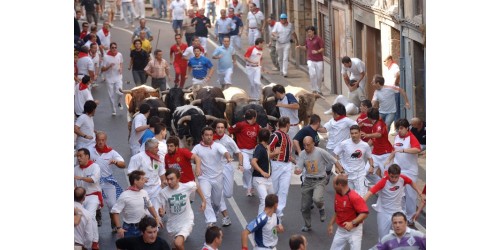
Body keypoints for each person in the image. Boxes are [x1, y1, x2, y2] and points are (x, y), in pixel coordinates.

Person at [363, 164, 423, 240]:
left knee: (402, 236)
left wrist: (420, 193)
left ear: (399, 175)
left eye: (396, 177)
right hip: (384, 213)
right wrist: (359, 206)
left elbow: (411, 182)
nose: (394, 179)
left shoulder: (402, 179)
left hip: (397, 212)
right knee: (383, 238)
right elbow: (369, 193)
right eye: (392, 177)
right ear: (388, 174)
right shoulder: (383, 182)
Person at [294, 136, 339, 232]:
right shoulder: (302, 154)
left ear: (313, 144)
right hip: (308, 181)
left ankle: (321, 208)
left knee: (317, 198)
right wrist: (297, 170)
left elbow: (334, 160)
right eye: (304, 145)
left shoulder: (320, 152)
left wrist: (341, 170)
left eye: (308, 145)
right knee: (304, 207)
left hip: (320, 180)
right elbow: (299, 167)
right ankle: (307, 225)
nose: (306, 147)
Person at [191, 127, 232, 227]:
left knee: (217, 203)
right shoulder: (197, 147)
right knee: (206, 197)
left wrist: (228, 157)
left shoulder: (217, 146)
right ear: (202, 136)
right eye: (206, 135)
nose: (209, 137)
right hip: (204, 178)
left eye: (210, 135)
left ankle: (215, 212)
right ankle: (211, 221)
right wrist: (196, 167)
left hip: (217, 178)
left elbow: (225, 152)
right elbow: (192, 157)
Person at [158, 168, 206, 250]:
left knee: (178, 243)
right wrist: (161, 213)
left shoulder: (186, 187)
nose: (169, 182)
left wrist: (204, 200)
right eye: (167, 179)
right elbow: (163, 210)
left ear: (178, 179)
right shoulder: (163, 193)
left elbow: (196, 185)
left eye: (172, 179)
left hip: (186, 221)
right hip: (172, 225)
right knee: (175, 248)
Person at [386, 118, 422, 225]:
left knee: (410, 196)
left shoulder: (411, 137)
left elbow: (417, 149)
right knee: (399, 194)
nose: (399, 130)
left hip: (410, 171)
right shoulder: (397, 137)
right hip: (399, 170)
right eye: (398, 128)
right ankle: (401, 215)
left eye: (401, 128)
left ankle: (410, 218)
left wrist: (403, 150)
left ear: (407, 128)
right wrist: (388, 162)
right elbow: (394, 150)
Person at [89, 131, 126, 231]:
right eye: (99, 140)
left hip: (107, 182)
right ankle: (97, 215)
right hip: (94, 182)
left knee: (112, 205)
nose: (101, 142)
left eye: (103, 140)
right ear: (95, 140)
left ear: (105, 140)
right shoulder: (90, 151)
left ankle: (114, 224)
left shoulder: (111, 152)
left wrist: (117, 162)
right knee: (93, 202)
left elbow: (123, 164)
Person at [112, 170, 163, 239]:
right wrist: (119, 228)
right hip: (130, 229)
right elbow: (115, 212)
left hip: (144, 226)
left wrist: (156, 217)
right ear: (135, 181)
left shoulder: (144, 192)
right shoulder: (125, 195)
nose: (144, 181)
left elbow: (149, 205)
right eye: (142, 179)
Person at [212, 119, 243, 226]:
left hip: (227, 166)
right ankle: (225, 216)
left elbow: (239, 153)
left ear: (225, 129)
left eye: (222, 127)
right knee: (218, 193)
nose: (220, 130)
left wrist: (241, 164)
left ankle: (215, 207)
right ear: (215, 129)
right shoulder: (211, 139)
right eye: (218, 127)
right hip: (215, 168)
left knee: (228, 194)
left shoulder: (229, 140)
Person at [327, 174, 369, 250]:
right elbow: (337, 211)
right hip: (341, 230)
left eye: (334, 184)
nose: (333, 186)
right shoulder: (337, 194)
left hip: (355, 231)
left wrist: (352, 223)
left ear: (340, 185)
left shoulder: (354, 197)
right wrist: (331, 224)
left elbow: (365, 213)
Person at [128, 138, 168, 213]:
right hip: (143, 190)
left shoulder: (159, 157)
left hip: (156, 189)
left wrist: (163, 181)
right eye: (156, 147)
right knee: (145, 212)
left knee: (156, 212)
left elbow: (161, 172)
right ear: (149, 148)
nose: (158, 149)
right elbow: (130, 173)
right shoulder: (137, 158)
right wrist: (141, 178)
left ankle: (157, 223)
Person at [333, 125, 374, 197]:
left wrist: (371, 166)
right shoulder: (344, 144)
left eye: (356, 133)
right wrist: (337, 167)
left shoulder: (365, 145)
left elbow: (370, 158)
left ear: (360, 133)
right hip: (347, 175)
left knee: (361, 198)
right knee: (348, 197)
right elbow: (335, 154)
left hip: (360, 175)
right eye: (352, 133)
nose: (354, 135)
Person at [228, 109, 260, 196]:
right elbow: (229, 130)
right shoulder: (240, 125)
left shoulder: (257, 126)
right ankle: (248, 187)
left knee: (253, 169)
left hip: (254, 151)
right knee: (246, 168)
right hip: (243, 151)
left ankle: (251, 186)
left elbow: (261, 136)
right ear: (254, 117)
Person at [74, 148, 101, 250]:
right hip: (78, 197)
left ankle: (94, 242)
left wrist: (80, 178)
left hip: (92, 195)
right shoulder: (75, 169)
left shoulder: (95, 167)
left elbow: (93, 179)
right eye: (77, 156)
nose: (78, 158)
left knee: (90, 216)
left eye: (81, 156)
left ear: (87, 156)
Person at [268, 117, 294, 219]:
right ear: (287, 125)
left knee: (284, 189)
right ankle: (271, 210)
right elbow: (268, 148)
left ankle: (278, 213)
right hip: (277, 164)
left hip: (287, 165)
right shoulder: (276, 135)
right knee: (274, 188)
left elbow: (287, 153)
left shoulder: (286, 136)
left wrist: (297, 162)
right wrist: (273, 153)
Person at [361, 108, 395, 184]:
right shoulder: (375, 124)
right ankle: (380, 185)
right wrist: (363, 148)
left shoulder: (379, 124)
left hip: (385, 155)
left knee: (388, 177)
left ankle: (398, 194)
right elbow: (373, 140)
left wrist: (367, 135)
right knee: (365, 172)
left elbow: (379, 134)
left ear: (369, 118)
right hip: (375, 155)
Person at [250, 128, 276, 214]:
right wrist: (262, 172)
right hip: (259, 179)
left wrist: (274, 153)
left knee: (273, 200)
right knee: (264, 201)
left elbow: (267, 158)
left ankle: (271, 218)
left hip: (268, 180)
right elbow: (253, 162)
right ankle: (260, 222)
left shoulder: (265, 148)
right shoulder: (260, 148)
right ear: (268, 138)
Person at [296, 26, 325, 94]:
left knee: (319, 76)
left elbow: (322, 48)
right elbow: (306, 47)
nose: (308, 33)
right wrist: (300, 47)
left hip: (319, 60)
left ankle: (319, 90)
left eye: (309, 32)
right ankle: (314, 89)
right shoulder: (307, 39)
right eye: (307, 32)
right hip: (310, 59)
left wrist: (317, 51)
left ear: (313, 31)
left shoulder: (318, 39)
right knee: (312, 74)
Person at [101, 42, 124, 116]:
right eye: (112, 47)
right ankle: (113, 109)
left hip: (118, 76)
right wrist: (109, 66)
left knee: (120, 92)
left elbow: (121, 63)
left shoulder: (119, 54)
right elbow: (102, 69)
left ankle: (119, 102)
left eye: (115, 47)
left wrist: (120, 68)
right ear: (110, 48)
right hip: (109, 78)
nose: (114, 49)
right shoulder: (106, 57)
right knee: (111, 95)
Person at [271, 13, 298, 77]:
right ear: (280, 19)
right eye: (281, 19)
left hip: (287, 43)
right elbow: (273, 32)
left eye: (284, 19)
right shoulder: (277, 24)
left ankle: (285, 72)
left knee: (285, 58)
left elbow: (293, 33)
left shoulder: (290, 25)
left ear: (286, 19)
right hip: (279, 43)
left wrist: (297, 40)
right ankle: (281, 70)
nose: (283, 20)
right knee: (280, 58)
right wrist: (276, 35)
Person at [383, 56, 401, 121]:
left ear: (390, 60)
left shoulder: (394, 66)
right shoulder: (388, 68)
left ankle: (397, 126)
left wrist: (396, 82)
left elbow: (398, 74)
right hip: (389, 92)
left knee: (396, 110)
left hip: (394, 92)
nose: (384, 63)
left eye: (385, 61)